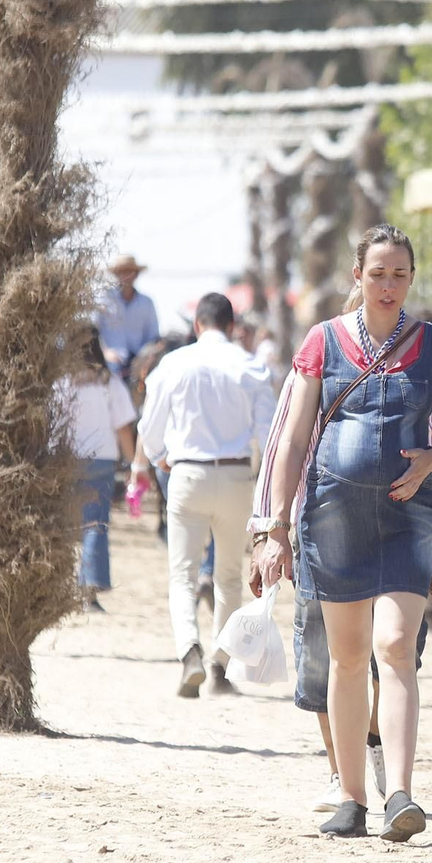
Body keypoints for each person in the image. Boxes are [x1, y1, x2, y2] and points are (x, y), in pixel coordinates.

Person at [261, 224, 432, 842]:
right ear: (358, 276)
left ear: (412, 279)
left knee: (396, 646)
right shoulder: (322, 342)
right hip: (332, 517)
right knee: (347, 659)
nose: (388, 285)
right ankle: (351, 797)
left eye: (399, 274)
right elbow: (295, 438)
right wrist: (274, 526)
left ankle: (400, 794)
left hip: (407, 520)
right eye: (377, 273)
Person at [247, 363, 432, 814]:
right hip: (326, 531)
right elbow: (285, 445)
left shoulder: (421, 365)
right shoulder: (319, 360)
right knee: (326, 660)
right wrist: (269, 531)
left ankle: (380, 750)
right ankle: (342, 774)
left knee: (396, 651)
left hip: (405, 531)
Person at [135, 292, 276, 698]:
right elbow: (269, 436)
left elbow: (149, 427)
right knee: (228, 576)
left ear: (198, 325)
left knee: (182, 574)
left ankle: (188, 652)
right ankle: (219, 665)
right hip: (235, 476)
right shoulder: (250, 365)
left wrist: (161, 458)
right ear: (232, 326)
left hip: (187, 475)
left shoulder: (174, 364)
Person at [58, 324, 137, 613]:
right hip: (102, 459)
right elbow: (124, 428)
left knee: (67, 526)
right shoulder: (109, 383)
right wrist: (132, 463)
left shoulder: (61, 382)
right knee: (95, 524)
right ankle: (88, 591)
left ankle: (65, 588)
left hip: (67, 459)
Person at [96, 254, 160, 377]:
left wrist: (143, 357)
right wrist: (104, 352)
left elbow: (153, 337)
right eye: (123, 272)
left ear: (136, 274)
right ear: (116, 274)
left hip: (138, 369)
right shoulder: (104, 300)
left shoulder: (146, 303)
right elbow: (92, 331)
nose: (126, 276)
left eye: (129, 272)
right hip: (108, 367)